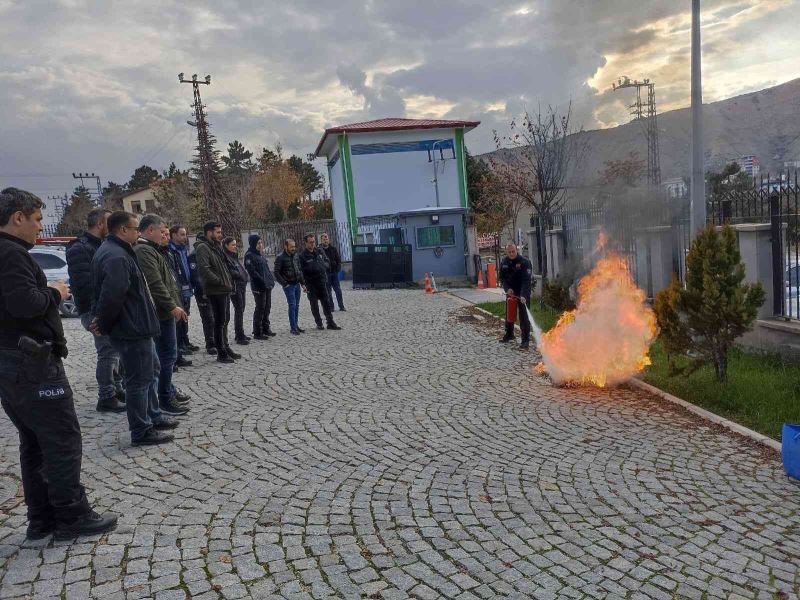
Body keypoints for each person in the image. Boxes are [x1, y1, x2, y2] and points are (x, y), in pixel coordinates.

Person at [0, 187, 117, 540]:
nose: (40, 227)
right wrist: (56, 293)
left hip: (13, 363)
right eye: (36, 220)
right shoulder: (11, 255)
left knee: (34, 443)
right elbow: (25, 304)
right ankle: (71, 516)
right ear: (17, 217)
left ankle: (42, 518)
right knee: (62, 438)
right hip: (32, 362)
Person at [91, 211, 177, 446]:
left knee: (151, 372)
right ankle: (142, 430)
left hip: (138, 326)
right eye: (135, 228)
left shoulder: (117, 251)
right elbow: (112, 296)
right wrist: (104, 325)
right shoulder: (116, 256)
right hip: (131, 328)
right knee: (138, 380)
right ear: (122, 230)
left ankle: (153, 415)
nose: (138, 233)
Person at [65, 207, 126, 413]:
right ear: (101, 223)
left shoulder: (103, 245)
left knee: (115, 351)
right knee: (107, 352)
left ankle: (117, 389)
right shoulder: (79, 248)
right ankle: (106, 396)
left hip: (107, 307)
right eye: (110, 222)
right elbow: (85, 284)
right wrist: (100, 314)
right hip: (93, 310)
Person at [134, 215, 190, 415]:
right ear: (151, 230)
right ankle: (164, 398)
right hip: (161, 313)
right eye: (162, 231)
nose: (164, 235)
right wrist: (172, 306)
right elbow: (155, 284)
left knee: (168, 357)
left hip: (166, 312)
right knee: (166, 357)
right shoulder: (144, 251)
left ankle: (167, 393)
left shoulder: (153, 249)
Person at [195, 221, 239, 363]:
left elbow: (224, 266)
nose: (220, 235)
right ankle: (221, 352)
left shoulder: (216, 246)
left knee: (224, 320)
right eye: (218, 232)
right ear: (209, 232)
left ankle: (225, 347)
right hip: (215, 290)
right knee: (219, 321)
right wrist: (221, 281)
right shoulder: (203, 247)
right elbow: (204, 270)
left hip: (223, 289)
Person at [298, 234, 341, 331]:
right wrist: (303, 283)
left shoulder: (319, 251)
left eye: (314, 242)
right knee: (314, 305)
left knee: (326, 302)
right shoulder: (302, 256)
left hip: (322, 281)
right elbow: (300, 271)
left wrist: (323, 266)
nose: (313, 244)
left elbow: (326, 261)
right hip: (311, 283)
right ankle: (319, 323)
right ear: (306, 243)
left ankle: (330, 322)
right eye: (310, 242)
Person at [167, 225, 197, 365]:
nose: (185, 237)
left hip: (187, 286)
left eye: (185, 234)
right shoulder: (170, 250)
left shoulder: (183, 249)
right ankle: (180, 345)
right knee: (179, 318)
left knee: (186, 315)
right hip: (178, 288)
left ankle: (185, 342)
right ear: (173, 235)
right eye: (182, 234)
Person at [499, 243, 533, 350]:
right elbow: (502, 278)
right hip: (511, 292)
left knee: (524, 316)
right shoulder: (504, 262)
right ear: (506, 252)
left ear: (516, 250)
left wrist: (523, 295)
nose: (511, 253)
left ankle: (525, 340)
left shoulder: (525, 262)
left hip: (523, 291)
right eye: (509, 252)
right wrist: (507, 289)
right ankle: (509, 334)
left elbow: (526, 281)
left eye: (513, 251)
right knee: (510, 312)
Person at [244, 234, 276, 340]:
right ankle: (258, 332)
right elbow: (252, 272)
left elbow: (266, 270)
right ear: (253, 243)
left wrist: (270, 281)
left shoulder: (261, 255)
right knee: (260, 308)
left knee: (267, 307)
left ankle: (266, 328)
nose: (260, 245)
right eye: (258, 243)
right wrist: (263, 282)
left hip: (267, 286)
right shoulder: (249, 255)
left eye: (261, 242)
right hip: (258, 286)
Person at [188, 232, 216, 354]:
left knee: (215, 317)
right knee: (208, 318)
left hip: (212, 289)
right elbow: (196, 277)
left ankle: (216, 340)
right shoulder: (194, 256)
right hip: (202, 292)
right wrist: (204, 289)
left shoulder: (209, 252)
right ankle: (210, 343)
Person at [222, 237, 250, 345]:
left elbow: (240, 268)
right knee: (239, 309)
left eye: (235, 245)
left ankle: (240, 333)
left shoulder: (234, 256)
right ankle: (239, 335)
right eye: (232, 245)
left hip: (241, 285)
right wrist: (239, 275)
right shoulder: (225, 257)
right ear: (226, 246)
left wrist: (244, 275)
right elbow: (230, 271)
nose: (235, 247)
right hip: (235, 287)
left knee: (241, 309)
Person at [274, 238, 305, 335]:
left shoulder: (296, 255)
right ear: (285, 246)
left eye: (294, 246)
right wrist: (284, 284)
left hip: (297, 284)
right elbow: (276, 272)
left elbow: (299, 270)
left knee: (297, 306)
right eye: (291, 246)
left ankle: (296, 325)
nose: (293, 248)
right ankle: (293, 328)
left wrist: (303, 284)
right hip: (289, 285)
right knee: (292, 305)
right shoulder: (280, 257)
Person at [319, 233, 345, 312]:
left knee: (338, 290)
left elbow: (338, 260)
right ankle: (331, 307)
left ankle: (341, 306)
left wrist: (338, 268)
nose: (325, 240)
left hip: (334, 273)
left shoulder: (333, 249)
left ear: (328, 240)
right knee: (328, 292)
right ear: (321, 240)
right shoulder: (319, 250)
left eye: (326, 239)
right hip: (325, 274)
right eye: (324, 239)